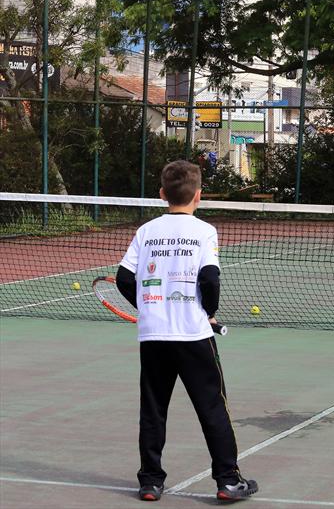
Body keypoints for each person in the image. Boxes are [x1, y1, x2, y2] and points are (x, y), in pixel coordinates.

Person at [116, 160, 258, 502]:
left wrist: (150, 307)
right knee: (212, 407)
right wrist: (209, 312)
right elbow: (209, 278)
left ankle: (150, 481)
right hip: (194, 336)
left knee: (153, 409)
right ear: (199, 195)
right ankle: (227, 481)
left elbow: (123, 279)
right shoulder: (204, 231)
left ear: (163, 194)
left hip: (154, 336)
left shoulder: (145, 231)